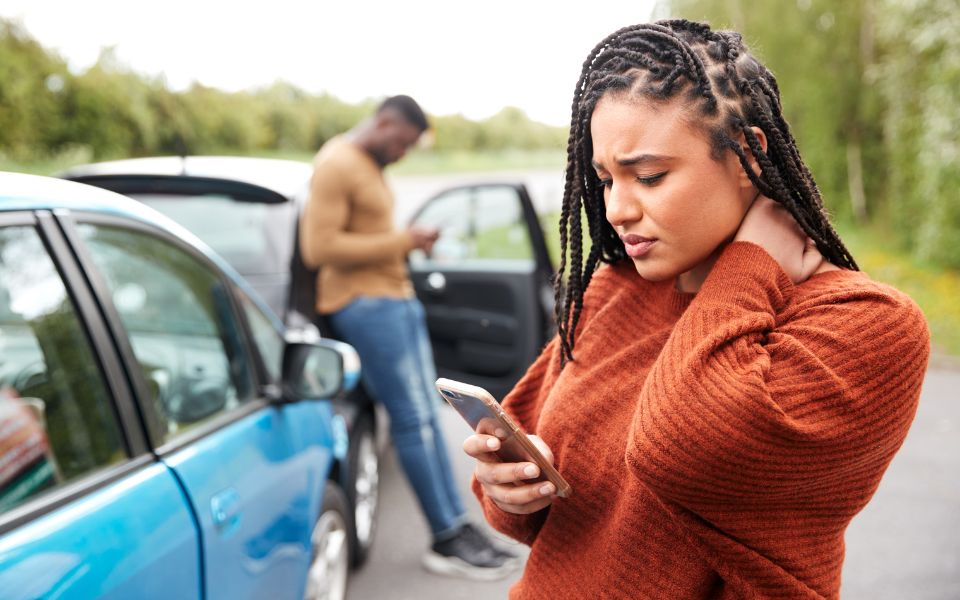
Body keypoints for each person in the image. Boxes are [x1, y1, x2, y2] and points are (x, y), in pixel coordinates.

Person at [463, 20, 929, 599]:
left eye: (649, 176)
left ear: (746, 156)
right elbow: (543, 498)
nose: (616, 210)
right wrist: (509, 489)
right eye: (605, 180)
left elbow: (680, 450)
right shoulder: (615, 290)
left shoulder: (869, 324)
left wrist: (750, 263)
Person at [299, 95, 518, 580]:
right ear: (384, 123)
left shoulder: (368, 163)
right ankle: (445, 538)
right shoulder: (337, 162)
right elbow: (319, 247)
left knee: (427, 417)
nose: (401, 154)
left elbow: (363, 233)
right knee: (412, 421)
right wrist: (404, 240)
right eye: (400, 143)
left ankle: (460, 527)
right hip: (366, 305)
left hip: (394, 301)